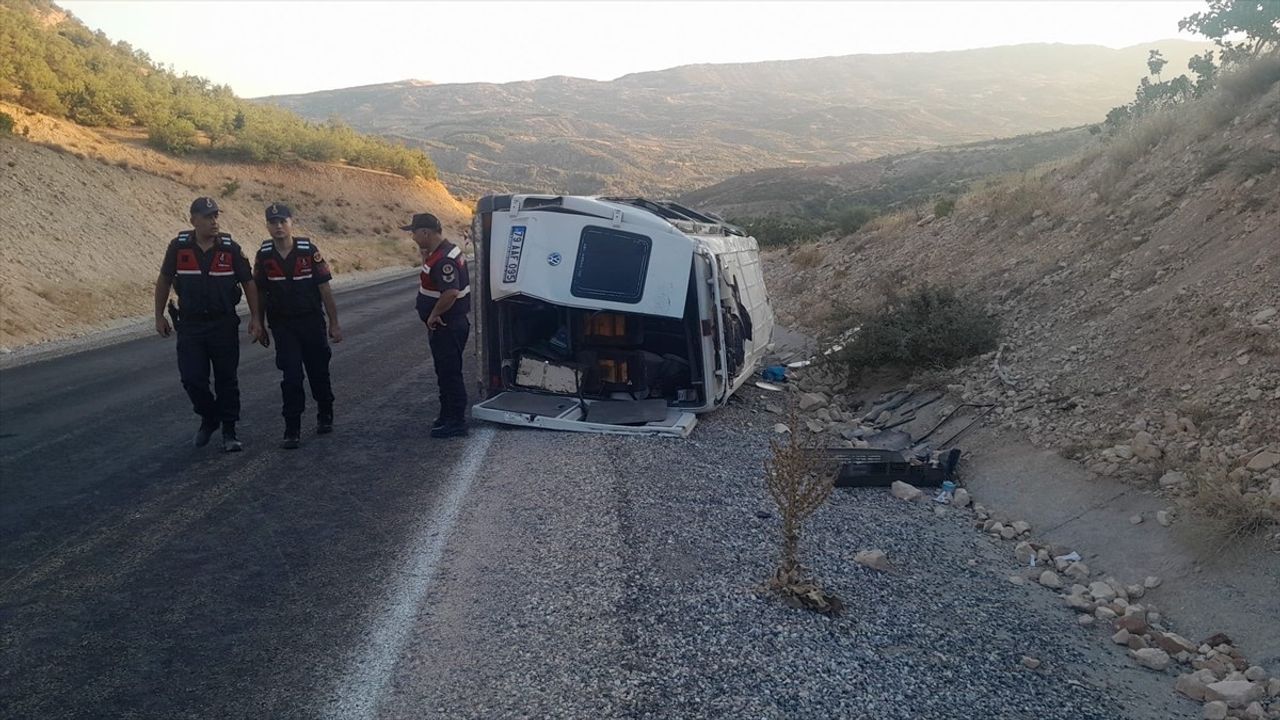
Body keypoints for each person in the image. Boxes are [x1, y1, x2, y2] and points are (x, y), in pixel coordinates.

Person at [154, 197, 265, 452]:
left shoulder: (231, 249)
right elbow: (164, 280)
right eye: (207, 217)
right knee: (192, 379)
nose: (214, 221)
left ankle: (229, 430)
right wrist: (159, 315)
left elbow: (249, 283)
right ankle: (209, 416)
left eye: (216, 216)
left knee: (227, 379)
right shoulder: (179, 247)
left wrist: (256, 318)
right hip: (191, 325)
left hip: (223, 324)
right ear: (193, 220)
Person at [253, 203, 343, 449]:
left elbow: (325, 289)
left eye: (282, 221)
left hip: (311, 322)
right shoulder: (264, 256)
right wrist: (258, 322)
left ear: (291, 222)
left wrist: (334, 323)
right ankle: (292, 428)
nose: (278, 226)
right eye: (273, 222)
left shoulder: (308, 251)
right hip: (283, 325)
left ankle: (325, 412)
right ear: (267, 226)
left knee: (318, 373)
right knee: (291, 377)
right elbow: (260, 291)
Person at [404, 212, 471, 438]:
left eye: (413, 233)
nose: (412, 237)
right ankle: (447, 415)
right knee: (443, 372)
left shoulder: (444, 259)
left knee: (450, 373)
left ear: (425, 232)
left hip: (448, 325)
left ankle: (457, 422)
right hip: (446, 325)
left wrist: (433, 315)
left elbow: (451, 292)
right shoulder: (439, 253)